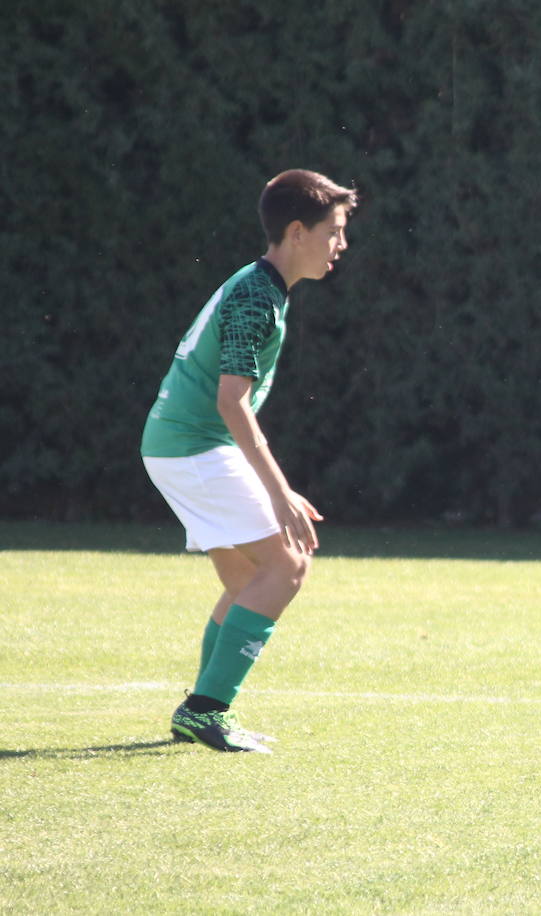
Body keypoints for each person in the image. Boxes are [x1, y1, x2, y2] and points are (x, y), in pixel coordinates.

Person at [141, 169, 358, 753]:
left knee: (246, 580)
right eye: (333, 231)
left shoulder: (261, 287)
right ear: (295, 231)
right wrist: (279, 491)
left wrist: (274, 490)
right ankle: (205, 710)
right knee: (286, 566)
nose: (341, 243)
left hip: (180, 445)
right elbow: (230, 401)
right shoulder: (256, 296)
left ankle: (201, 710)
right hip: (192, 446)